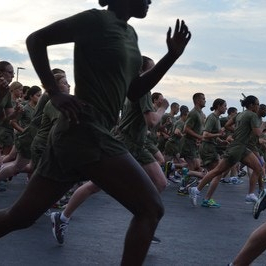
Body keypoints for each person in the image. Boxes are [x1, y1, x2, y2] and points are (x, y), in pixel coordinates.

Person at [0, 1, 191, 265]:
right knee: (150, 208)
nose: (149, 0)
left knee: (20, 217)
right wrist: (54, 92)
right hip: (87, 130)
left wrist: (172, 56)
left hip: (78, 135)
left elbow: (134, 90)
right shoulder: (95, 21)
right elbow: (36, 39)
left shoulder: (130, 35)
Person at [189, 95, 265, 206]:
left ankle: (250, 194)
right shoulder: (252, 115)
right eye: (257, 104)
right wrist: (262, 126)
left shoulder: (240, 114)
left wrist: (239, 131)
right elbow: (258, 133)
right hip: (237, 148)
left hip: (241, 147)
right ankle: (196, 190)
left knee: (258, 168)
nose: (258, 106)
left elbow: (228, 125)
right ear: (251, 105)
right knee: (217, 171)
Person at [197, 98, 227, 207]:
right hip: (207, 148)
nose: (226, 108)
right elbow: (205, 135)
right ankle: (200, 194)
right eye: (224, 106)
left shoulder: (217, 119)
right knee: (217, 173)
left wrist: (221, 141)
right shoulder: (212, 118)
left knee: (215, 173)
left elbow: (213, 135)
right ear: (218, 106)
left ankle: (200, 193)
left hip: (211, 147)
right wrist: (219, 135)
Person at [179, 92, 206, 171]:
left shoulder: (201, 113)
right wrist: (199, 137)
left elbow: (198, 129)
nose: (205, 101)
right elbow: (186, 129)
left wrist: (198, 139)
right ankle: (184, 181)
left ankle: (178, 172)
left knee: (196, 166)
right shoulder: (193, 113)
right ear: (198, 101)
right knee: (193, 167)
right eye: (203, 99)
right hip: (188, 144)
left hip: (194, 144)